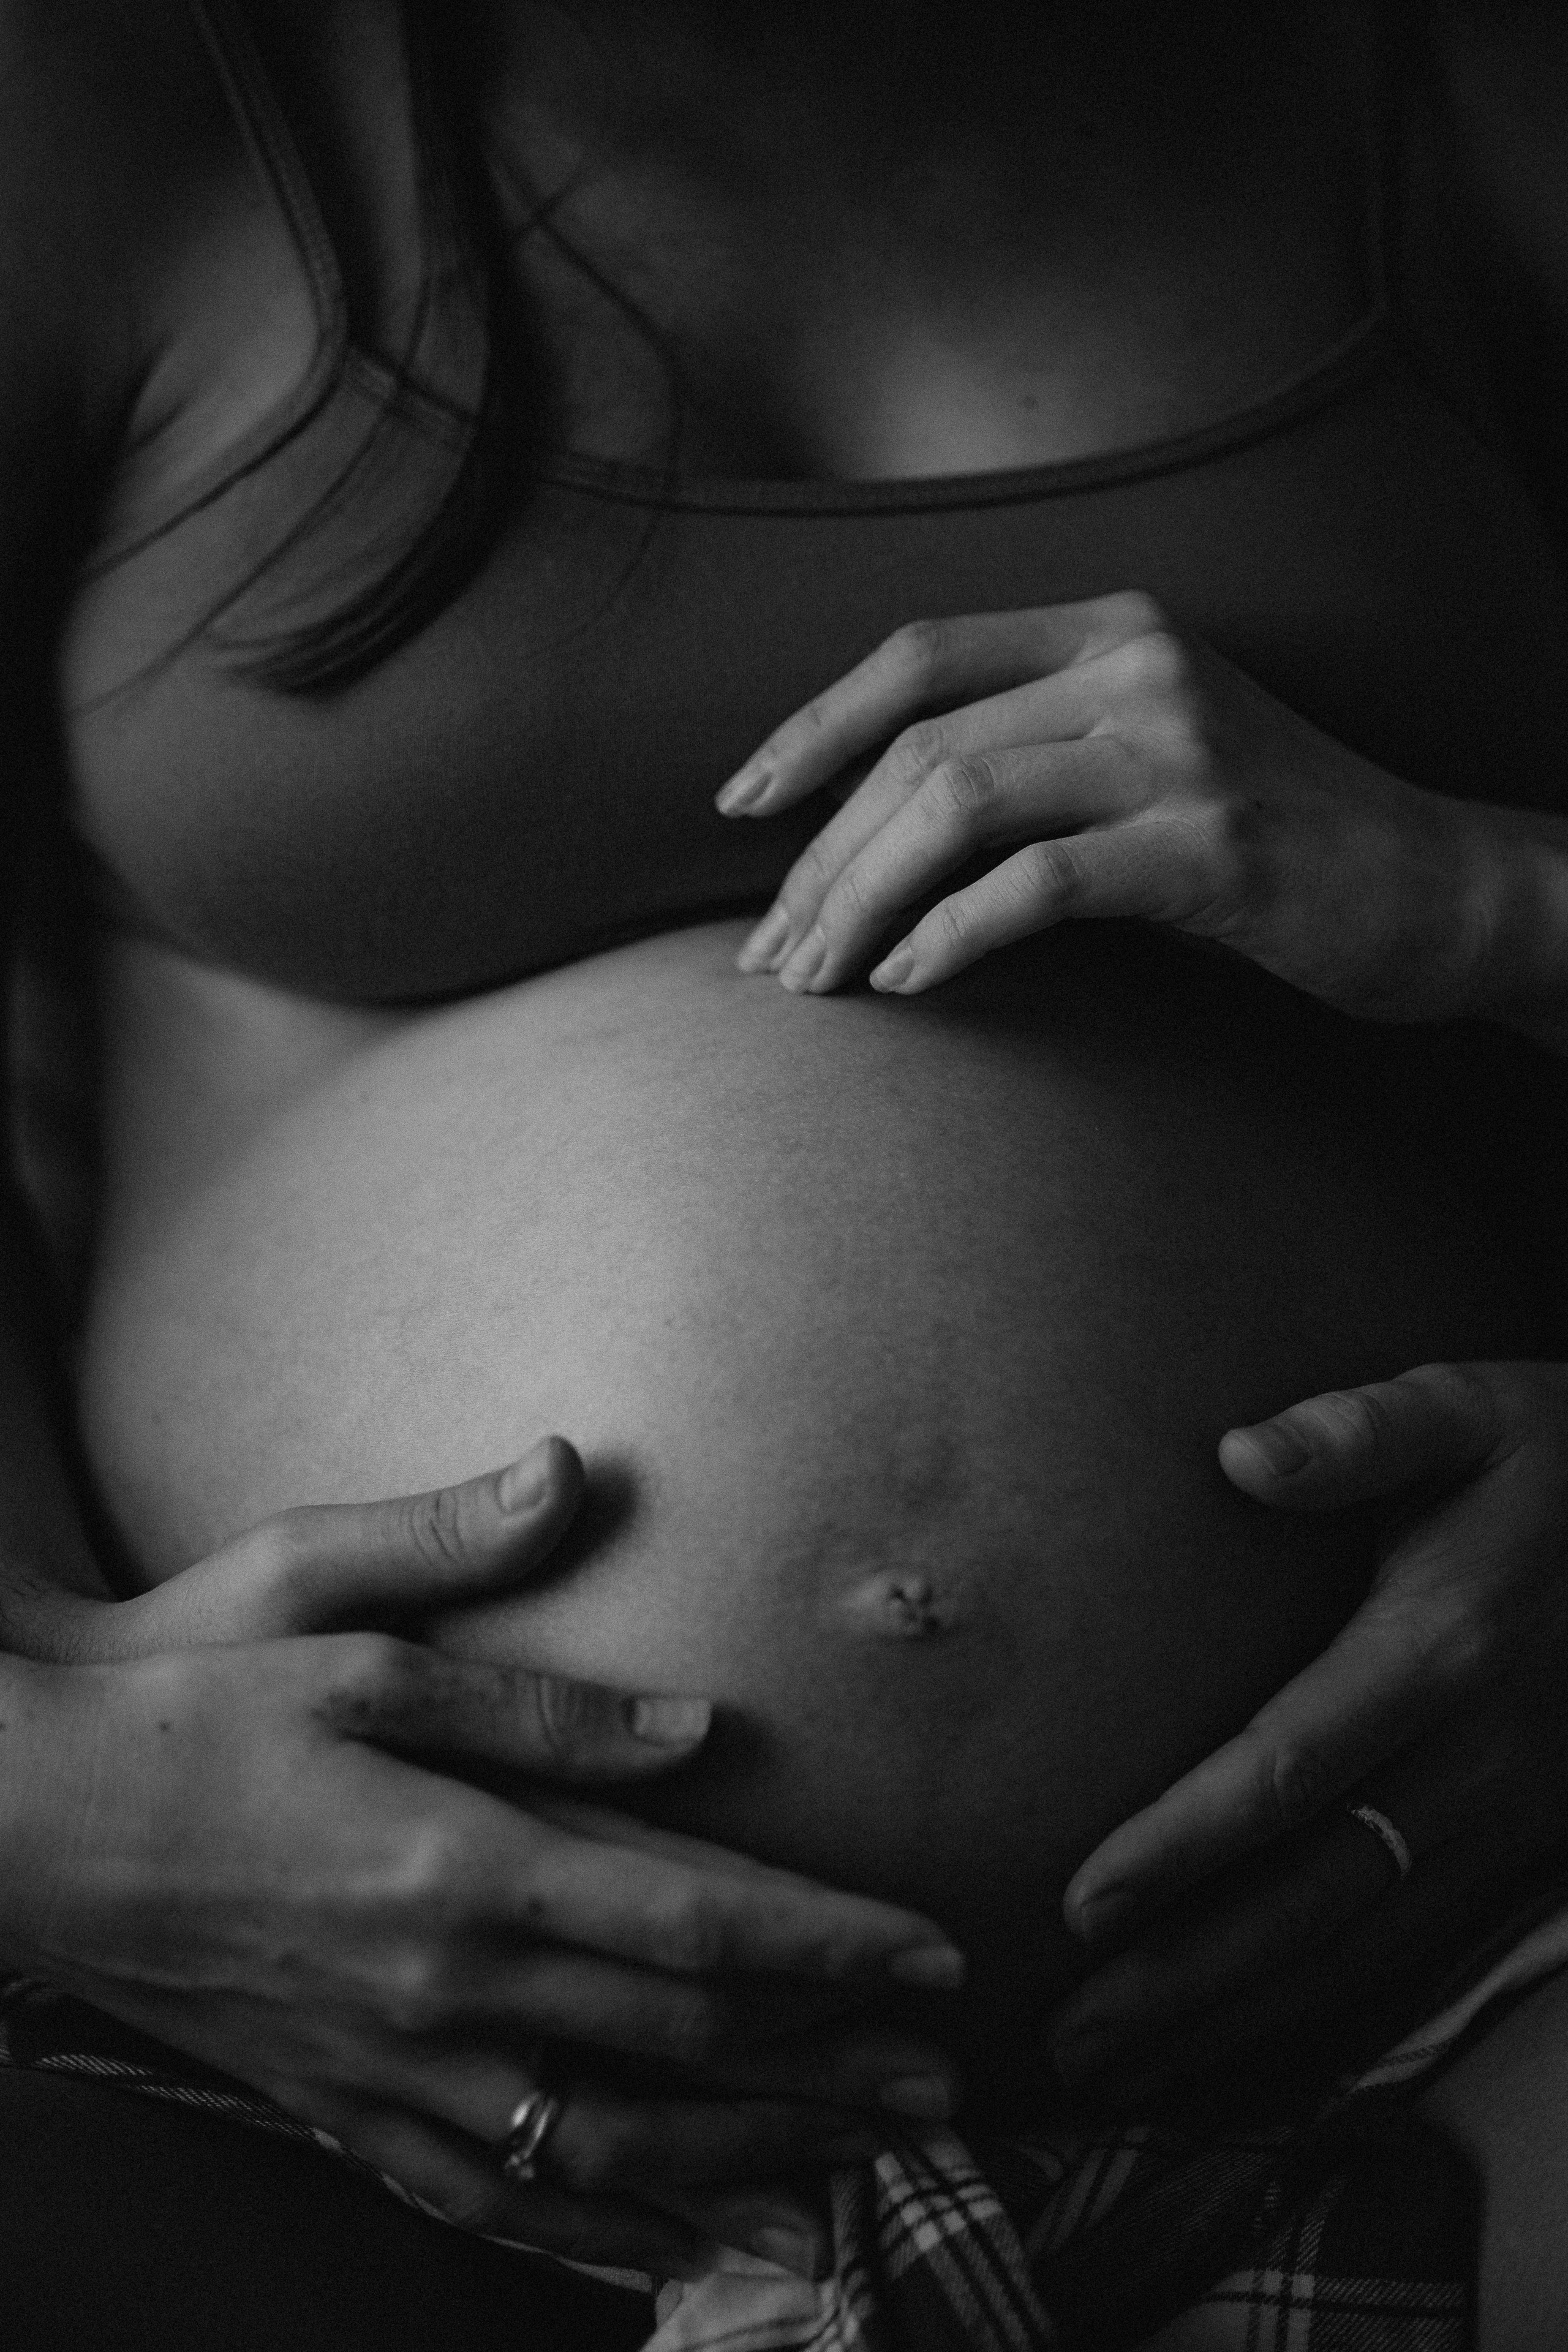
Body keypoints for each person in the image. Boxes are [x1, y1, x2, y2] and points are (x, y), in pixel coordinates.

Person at [1, 0, 1567, 2344]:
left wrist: (1495, 901)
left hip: (1472, 1989)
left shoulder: (1476, 88)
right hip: (285, 2037)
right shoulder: (101, 97)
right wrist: (46, 1822)